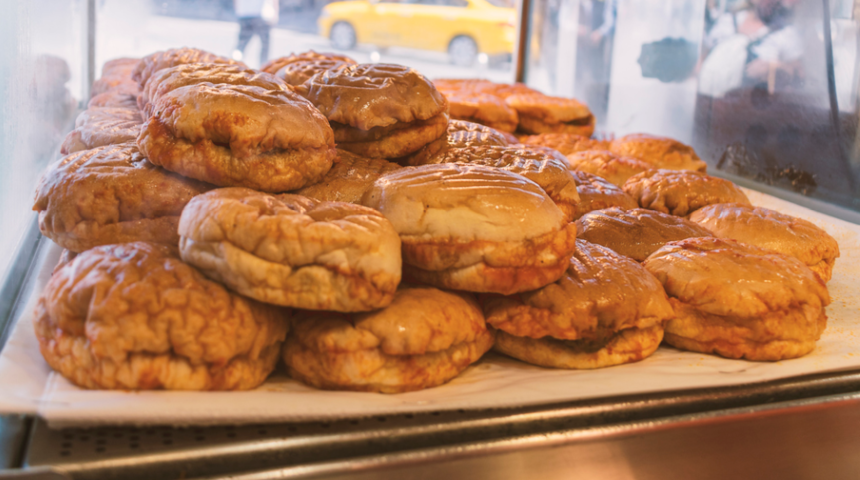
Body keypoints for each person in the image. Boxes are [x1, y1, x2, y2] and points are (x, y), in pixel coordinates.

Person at [233, 0, 279, 65]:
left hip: (244, 14)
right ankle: (263, 67)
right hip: (262, 14)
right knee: (264, 45)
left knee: (241, 44)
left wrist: (238, 11)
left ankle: (233, 63)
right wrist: (275, 14)